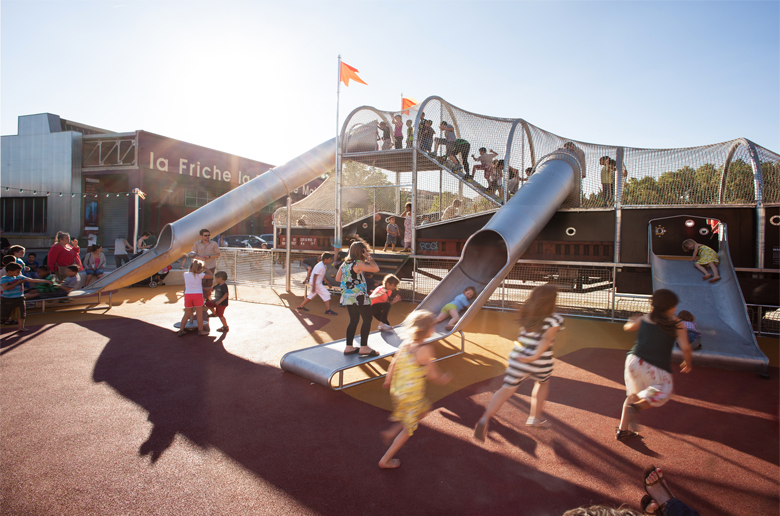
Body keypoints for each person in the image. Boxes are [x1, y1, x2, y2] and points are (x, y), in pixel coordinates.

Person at [474, 284, 563, 441]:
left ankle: (485, 418)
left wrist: (527, 356)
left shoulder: (527, 316)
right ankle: (534, 417)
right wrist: (534, 356)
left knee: (507, 389)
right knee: (542, 383)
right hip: (540, 359)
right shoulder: (555, 319)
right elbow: (546, 338)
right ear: (552, 302)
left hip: (518, 357)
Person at [378, 310, 453, 469]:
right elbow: (433, 375)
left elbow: (394, 363)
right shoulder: (425, 350)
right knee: (408, 429)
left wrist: (388, 380)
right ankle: (385, 460)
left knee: (424, 410)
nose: (433, 330)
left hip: (397, 391)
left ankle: (392, 432)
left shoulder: (405, 344)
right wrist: (443, 379)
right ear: (428, 330)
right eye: (432, 327)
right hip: (410, 396)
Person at [616, 289, 693, 442]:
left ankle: (622, 430)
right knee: (664, 390)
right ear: (669, 307)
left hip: (634, 361)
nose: (676, 309)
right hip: (655, 366)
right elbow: (685, 347)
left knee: (632, 395)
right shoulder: (676, 323)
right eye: (674, 306)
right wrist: (687, 361)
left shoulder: (645, 318)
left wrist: (631, 321)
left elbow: (627, 328)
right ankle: (636, 408)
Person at [336, 241, 380, 357]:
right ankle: (364, 348)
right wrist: (369, 257)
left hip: (348, 296)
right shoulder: (358, 264)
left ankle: (349, 346)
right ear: (361, 251)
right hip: (359, 296)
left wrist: (349, 281)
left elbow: (337, 278)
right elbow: (376, 268)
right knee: (367, 319)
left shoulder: (345, 263)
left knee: (354, 320)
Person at [1, 263, 52, 332]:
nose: (19, 273)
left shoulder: (19, 277)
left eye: (19, 271)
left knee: (21, 313)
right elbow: (6, 288)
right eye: (17, 271)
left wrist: (45, 280)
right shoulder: (4, 278)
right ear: (10, 271)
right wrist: (18, 282)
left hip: (19, 298)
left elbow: (31, 280)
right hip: (7, 299)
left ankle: (21, 327)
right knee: (4, 314)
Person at [178, 258, 212, 337]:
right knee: (199, 314)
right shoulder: (200, 275)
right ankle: (201, 330)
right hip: (198, 295)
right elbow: (211, 276)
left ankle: (181, 330)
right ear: (200, 268)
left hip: (188, 295)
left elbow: (191, 274)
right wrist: (206, 268)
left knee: (186, 314)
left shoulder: (185, 274)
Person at [191, 229, 221, 300]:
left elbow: (218, 254)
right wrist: (200, 258)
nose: (207, 237)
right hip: (199, 266)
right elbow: (192, 254)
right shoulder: (196, 244)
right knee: (199, 282)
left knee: (209, 282)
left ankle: (207, 298)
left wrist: (209, 256)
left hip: (210, 265)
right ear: (201, 236)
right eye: (205, 235)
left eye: (208, 235)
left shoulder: (214, 244)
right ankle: (199, 297)